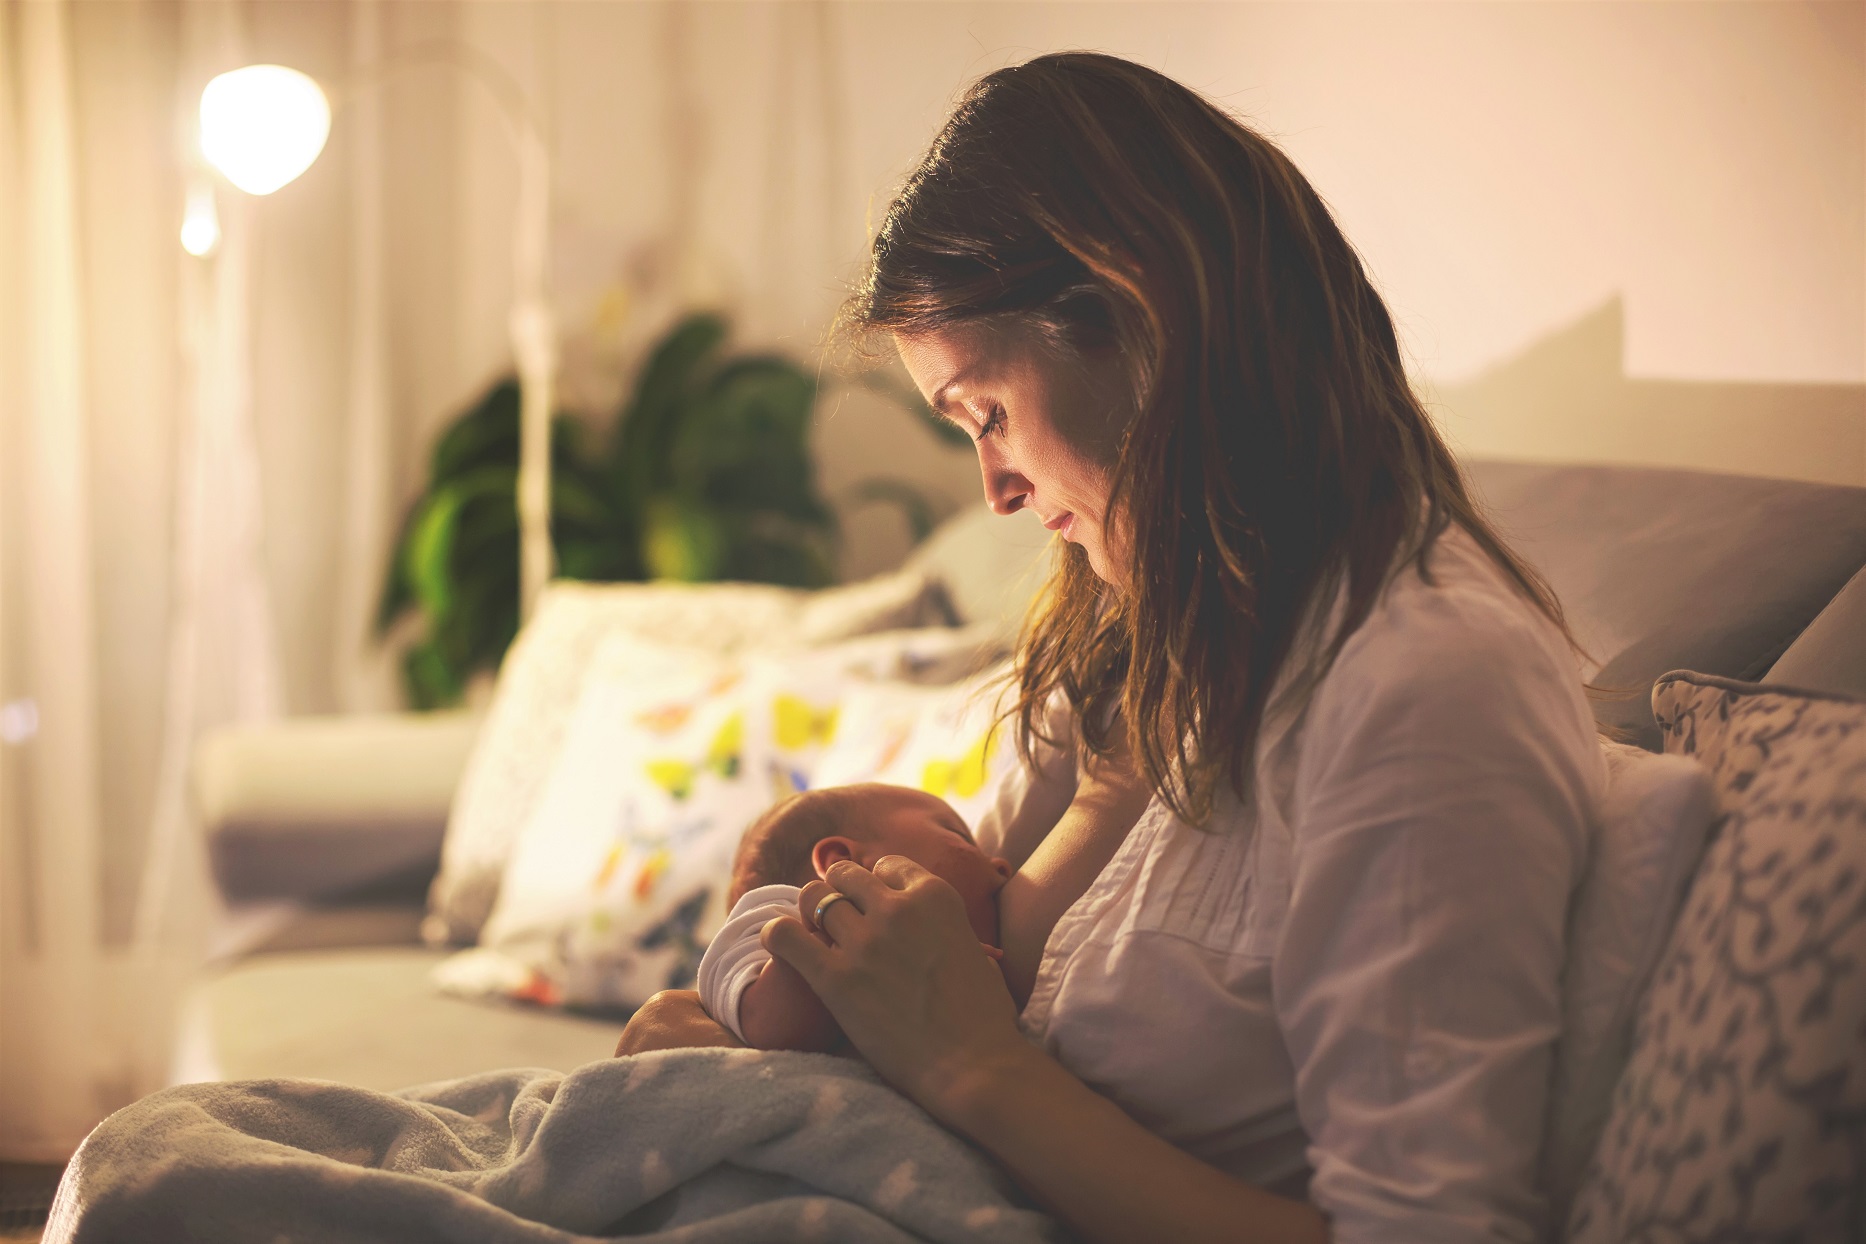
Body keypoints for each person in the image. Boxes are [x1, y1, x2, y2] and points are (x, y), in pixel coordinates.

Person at [618, 51, 1603, 1244]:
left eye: (986, 412)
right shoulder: (1127, 636)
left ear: (1136, 314)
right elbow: (943, 961)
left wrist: (976, 1067)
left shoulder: (1421, 690)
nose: (993, 488)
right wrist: (734, 1041)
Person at [695, 783, 1012, 1052]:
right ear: (843, 863)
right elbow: (761, 1018)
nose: (1001, 865)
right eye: (958, 835)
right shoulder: (778, 913)